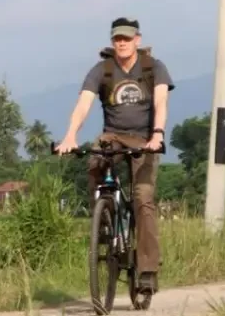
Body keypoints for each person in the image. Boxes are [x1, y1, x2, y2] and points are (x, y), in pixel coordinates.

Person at [54, 16, 174, 294]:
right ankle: (104, 220)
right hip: (113, 136)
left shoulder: (153, 68)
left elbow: (161, 101)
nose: (122, 43)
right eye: (117, 38)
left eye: (126, 38)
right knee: (95, 162)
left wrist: (157, 135)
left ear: (137, 40)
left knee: (143, 198)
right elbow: (83, 103)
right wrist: (70, 135)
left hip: (144, 140)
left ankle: (147, 270)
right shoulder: (103, 70)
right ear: (112, 41)